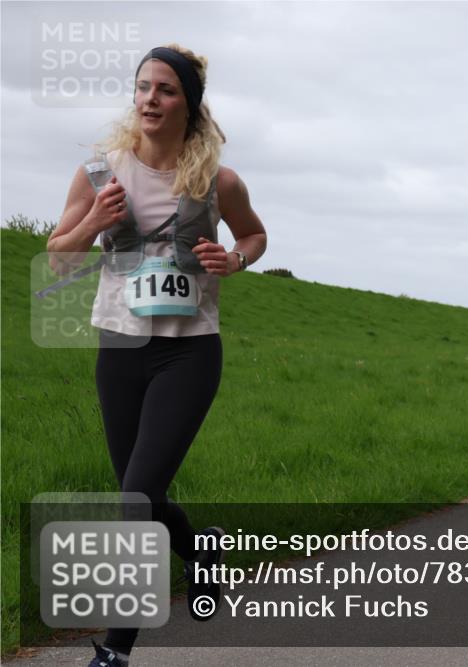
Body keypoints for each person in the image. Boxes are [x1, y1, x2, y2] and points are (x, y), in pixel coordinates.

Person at [46, 44, 267, 667]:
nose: (150, 99)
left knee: (138, 499)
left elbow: (254, 233)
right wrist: (93, 220)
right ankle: (203, 553)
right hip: (119, 348)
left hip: (188, 353)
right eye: (143, 87)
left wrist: (237, 258)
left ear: (188, 104)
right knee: (139, 492)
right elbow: (59, 253)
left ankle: (115, 650)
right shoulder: (100, 172)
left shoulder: (219, 180)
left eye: (166, 89)